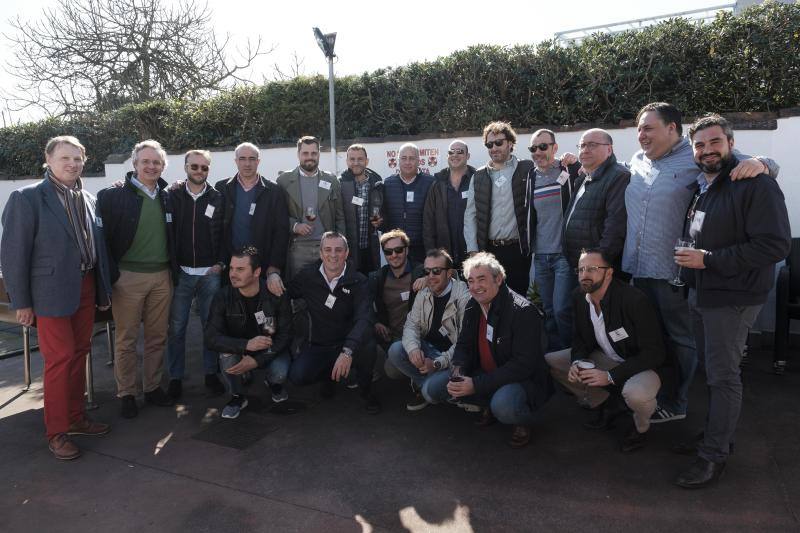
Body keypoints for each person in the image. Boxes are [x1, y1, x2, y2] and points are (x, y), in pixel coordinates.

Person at [623, 102, 779, 424]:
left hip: (676, 273)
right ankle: (652, 397)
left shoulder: (698, 154)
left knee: (683, 341)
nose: (641, 135)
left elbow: (746, 162)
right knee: (653, 340)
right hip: (638, 269)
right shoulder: (638, 161)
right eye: (639, 128)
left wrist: (763, 162)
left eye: (648, 128)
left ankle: (678, 402)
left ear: (672, 129)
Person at [673, 115, 790, 488]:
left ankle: (713, 456)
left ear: (730, 142)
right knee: (713, 372)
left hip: (733, 296)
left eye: (714, 142)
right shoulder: (705, 185)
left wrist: (708, 260)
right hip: (703, 292)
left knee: (723, 376)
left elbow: (774, 245)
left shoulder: (754, 182)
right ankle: (716, 434)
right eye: (700, 145)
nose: (707, 150)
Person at [1, 135, 113, 460]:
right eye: (65, 158)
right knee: (60, 357)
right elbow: (13, 254)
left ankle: (77, 418)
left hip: (86, 286)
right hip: (48, 294)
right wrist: (21, 302)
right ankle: (57, 431)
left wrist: (102, 290)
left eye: (77, 158)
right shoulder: (27, 198)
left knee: (80, 353)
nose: (72, 164)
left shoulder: (88, 198)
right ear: (48, 160)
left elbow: (99, 250)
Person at [425, 252, 553, 448]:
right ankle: (487, 404)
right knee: (432, 389)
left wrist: (475, 385)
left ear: (499, 279)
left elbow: (523, 366)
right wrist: (457, 372)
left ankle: (523, 419)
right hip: (485, 373)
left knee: (503, 406)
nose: (475, 287)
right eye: (471, 281)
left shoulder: (523, 311)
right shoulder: (473, 304)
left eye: (482, 279)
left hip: (520, 380)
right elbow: (463, 346)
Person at [545, 249, 665, 453]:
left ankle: (640, 428)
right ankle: (607, 403)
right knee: (553, 361)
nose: (584, 275)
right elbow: (580, 339)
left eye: (592, 269)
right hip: (608, 358)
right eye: (581, 269)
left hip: (643, 366)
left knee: (635, 394)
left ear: (608, 273)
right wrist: (577, 361)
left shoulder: (634, 300)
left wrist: (610, 376)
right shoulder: (579, 296)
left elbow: (654, 353)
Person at [97, 139, 178, 418]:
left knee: (157, 337)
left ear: (163, 166)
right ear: (135, 164)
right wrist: (108, 279)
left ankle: (153, 387)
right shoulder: (112, 195)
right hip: (128, 278)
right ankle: (127, 393)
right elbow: (102, 241)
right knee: (126, 338)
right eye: (146, 161)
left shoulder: (168, 195)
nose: (151, 166)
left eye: (156, 162)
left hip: (162, 276)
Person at [287, 232, 380, 414]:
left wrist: (348, 351)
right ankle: (329, 377)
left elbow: (364, 318)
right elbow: (286, 292)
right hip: (320, 344)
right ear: (320, 253)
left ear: (346, 253)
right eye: (328, 250)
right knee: (297, 376)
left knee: (368, 346)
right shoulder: (308, 277)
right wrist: (272, 278)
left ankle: (366, 391)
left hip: (349, 345)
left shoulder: (359, 281)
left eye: (338, 250)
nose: (333, 255)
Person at [165, 149, 226, 399]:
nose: (199, 171)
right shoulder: (171, 195)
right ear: (186, 167)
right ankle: (176, 378)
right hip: (181, 273)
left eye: (204, 167)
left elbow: (225, 232)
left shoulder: (217, 197)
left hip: (209, 273)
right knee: (177, 328)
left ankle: (211, 374)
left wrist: (221, 263)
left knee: (209, 327)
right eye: (195, 167)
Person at [205, 246, 292, 419]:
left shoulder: (275, 294)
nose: (233, 274)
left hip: (270, 348)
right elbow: (210, 337)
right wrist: (245, 345)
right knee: (226, 355)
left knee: (280, 372)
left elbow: (285, 336)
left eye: (240, 269)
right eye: (231, 268)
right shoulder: (223, 296)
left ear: (257, 272)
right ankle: (237, 396)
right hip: (239, 348)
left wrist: (257, 360)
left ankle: (273, 382)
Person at [388, 249, 470, 411]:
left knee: (430, 393)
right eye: (427, 272)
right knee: (396, 350)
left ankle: (447, 389)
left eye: (437, 271)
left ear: (449, 273)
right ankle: (431, 383)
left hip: (453, 360)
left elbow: (464, 343)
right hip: (430, 351)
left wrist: (437, 364)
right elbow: (411, 325)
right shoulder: (424, 292)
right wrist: (413, 350)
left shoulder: (464, 297)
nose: (430, 276)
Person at [463, 122, 534, 295]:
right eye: (489, 144)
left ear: (510, 143)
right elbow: (470, 215)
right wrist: (474, 251)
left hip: (519, 250)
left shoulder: (528, 169)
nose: (494, 148)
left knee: (519, 299)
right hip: (489, 252)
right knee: (492, 300)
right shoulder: (479, 176)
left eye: (499, 143)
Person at [527, 129, 581, 351]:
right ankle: (554, 355)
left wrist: (576, 162)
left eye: (543, 146)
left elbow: (587, 177)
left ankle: (572, 352)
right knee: (548, 309)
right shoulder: (531, 176)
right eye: (533, 148)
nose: (538, 152)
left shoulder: (568, 169)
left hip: (563, 255)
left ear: (554, 147)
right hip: (541, 255)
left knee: (561, 309)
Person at [216, 142, 289, 298]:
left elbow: (281, 232)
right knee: (232, 312)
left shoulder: (274, 191)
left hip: (261, 266)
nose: (247, 163)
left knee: (261, 314)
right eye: (242, 159)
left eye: (252, 159)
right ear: (236, 161)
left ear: (258, 161)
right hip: (231, 266)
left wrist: (274, 267)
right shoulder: (222, 188)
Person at [277, 136, 345, 279]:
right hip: (298, 248)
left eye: (314, 153)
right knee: (299, 292)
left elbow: (340, 216)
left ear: (319, 154)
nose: (310, 157)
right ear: (298, 155)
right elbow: (277, 215)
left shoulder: (331, 180)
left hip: (326, 248)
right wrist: (294, 226)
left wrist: (341, 245)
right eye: (305, 153)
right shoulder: (283, 181)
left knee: (325, 291)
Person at [562, 129, 629, 272]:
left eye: (592, 145)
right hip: (580, 266)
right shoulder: (583, 178)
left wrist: (600, 262)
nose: (585, 150)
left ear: (609, 149)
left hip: (598, 270)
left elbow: (615, 226)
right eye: (582, 145)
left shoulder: (618, 177)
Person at [368, 229, 426, 378]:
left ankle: (421, 383)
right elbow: (363, 304)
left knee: (393, 370)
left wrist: (429, 279)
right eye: (388, 252)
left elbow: (450, 274)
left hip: (418, 337)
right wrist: (376, 323)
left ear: (406, 250)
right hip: (392, 336)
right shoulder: (378, 278)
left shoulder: (421, 271)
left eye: (398, 250)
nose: (394, 255)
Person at [423, 140, 475, 269]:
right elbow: (428, 221)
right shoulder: (437, 184)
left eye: (460, 152)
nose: (455, 155)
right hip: (444, 257)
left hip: (473, 254)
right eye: (451, 152)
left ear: (468, 156)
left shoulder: (478, 179)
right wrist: (432, 254)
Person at [382, 143, 434, 263]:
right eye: (404, 158)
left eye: (412, 158)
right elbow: (383, 216)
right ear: (398, 160)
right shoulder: (388, 183)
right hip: (396, 250)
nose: (407, 162)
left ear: (419, 160)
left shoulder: (430, 183)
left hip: (422, 248)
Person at [339, 144, 384, 275]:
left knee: (371, 286)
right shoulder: (339, 184)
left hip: (370, 249)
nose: (356, 163)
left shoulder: (377, 184)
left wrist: (381, 220)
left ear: (367, 161)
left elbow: (385, 212)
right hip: (348, 251)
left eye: (360, 159)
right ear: (347, 161)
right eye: (352, 159)